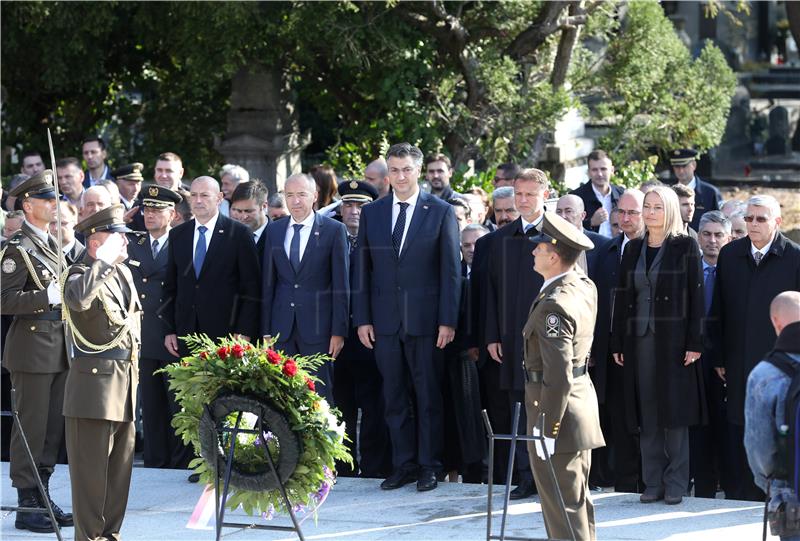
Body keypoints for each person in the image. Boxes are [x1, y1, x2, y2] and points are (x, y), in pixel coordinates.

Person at [353, 142, 461, 492]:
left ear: (418, 172)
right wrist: (363, 319)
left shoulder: (441, 211)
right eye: (394, 170)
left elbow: (451, 271)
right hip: (384, 322)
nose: (400, 177)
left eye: (406, 170)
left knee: (428, 396)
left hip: (427, 322)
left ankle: (430, 465)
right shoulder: (374, 212)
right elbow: (362, 271)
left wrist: (448, 320)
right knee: (393, 395)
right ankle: (404, 464)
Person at [611, 185, 706, 505]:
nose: (650, 213)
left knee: (674, 413)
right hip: (638, 342)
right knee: (647, 412)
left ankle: (676, 481)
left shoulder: (686, 246)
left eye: (657, 207)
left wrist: (695, 341)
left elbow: (697, 298)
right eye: (647, 207)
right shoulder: (632, 249)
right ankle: (652, 481)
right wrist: (618, 341)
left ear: (670, 211)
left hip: (674, 342)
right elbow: (622, 298)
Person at [709, 194, 800, 501]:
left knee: (775, 426)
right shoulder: (730, 254)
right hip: (737, 357)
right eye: (749, 218)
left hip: (782, 364)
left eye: (761, 218)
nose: (753, 224)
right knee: (739, 423)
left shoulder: (795, 257)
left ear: (777, 221)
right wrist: (719, 355)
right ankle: (740, 493)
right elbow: (718, 309)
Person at [524, 212, 604, 541]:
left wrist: (547, 427)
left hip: (559, 413)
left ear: (554, 256)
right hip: (579, 406)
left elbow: (557, 376)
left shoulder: (554, 305)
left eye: (538, 248)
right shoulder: (582, 285)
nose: (533, 252)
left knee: (563, 510)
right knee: (575, 504)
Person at [62, 204, 140, 541]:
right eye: (117, 237)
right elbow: (78, 300)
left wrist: (110, 264)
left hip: (125, 385)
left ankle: (110, 536)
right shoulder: (79, 273)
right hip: (93, 390)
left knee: (118, 478)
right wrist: (102, 262)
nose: (125, 243)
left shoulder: (122, 272)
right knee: (91, 480)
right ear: (96, 243)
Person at [1, 170, 72, 532]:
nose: (54, 204)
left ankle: (43, 495)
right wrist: (44, 297)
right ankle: (27, 503)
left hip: (58, 347)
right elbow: (4, 299)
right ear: (28, 205)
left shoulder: (50, 244)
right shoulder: (15, 248)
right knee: (29, 427)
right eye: (47, 199)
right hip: (31, 348)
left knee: (50, 430)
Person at [485, 167, 550, 499]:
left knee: (551, 405)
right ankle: (526, 476)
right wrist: (493, 335)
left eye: (530, 195)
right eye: (519, 194)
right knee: (519, 406)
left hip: (551, 340)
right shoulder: (501, 239)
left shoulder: (560, 236)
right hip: (511, 339)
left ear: (545, 196)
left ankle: (551, 476)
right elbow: (491, 291)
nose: (523, 201)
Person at [260, 173, 349, 404]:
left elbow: (341, 285)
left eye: (301, 194)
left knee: (319, 397)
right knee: (280, 397)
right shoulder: (274, 230)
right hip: (282, 329)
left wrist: (339, 331)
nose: (296, 201)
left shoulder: (333, 230)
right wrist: (266, 329)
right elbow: (269, 283)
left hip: (319, 329)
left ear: (315, 196)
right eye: (290, 195)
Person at [126, 186, 192, 469]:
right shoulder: (132, 242)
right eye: (146, 209)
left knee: (177, 405)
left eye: (157, 210)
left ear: (173, 214)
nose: (150, 214)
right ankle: (155, 461)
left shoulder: (182, 242)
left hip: (171, 335)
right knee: (150, 406)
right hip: (140, 333)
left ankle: (179, 462)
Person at [162, 176, 261, 358]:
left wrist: (244, 331)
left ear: (220, 197)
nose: (198, 201)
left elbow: (251, 288)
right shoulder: (178, 235)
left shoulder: (239, 234)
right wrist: (169, 329)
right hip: (186, 335)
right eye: (194, 195)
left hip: (228, 336)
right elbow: (170, 286)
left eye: (205, 195)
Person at [333, 179, 392, 478]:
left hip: (372, 336)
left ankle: (374, 468)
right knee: (340, 407)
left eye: (361, 205)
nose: (354, 211)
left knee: (373, 407)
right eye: (348, 204)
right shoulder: (329, 235)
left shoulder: (382, 236)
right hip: (337, 337)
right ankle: (342, 467)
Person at [588, 189, 645, 493]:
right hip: (608, 351)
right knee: (609, 415)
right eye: (621, 212)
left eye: (632, 213)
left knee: (638, 420)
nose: (626, 218)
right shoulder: (606, 251)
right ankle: (612, 480)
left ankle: (639, 481)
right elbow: (594, 303)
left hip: (642, 351)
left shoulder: (656, 250)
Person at [745, 291, 800, 541]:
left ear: (776, 322)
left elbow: (759, 447)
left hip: (790, 498)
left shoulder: (765, 375)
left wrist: (770, 483)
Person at [689, 210, 732, 498]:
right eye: (707, 234)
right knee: (697, 426)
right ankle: (702, 486)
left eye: (718, 235)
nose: (712, 240)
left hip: (725, 362)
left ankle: (728, 485)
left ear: (728, 238)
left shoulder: (735, 270)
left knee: (724, 425)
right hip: (691, 361)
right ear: (698, 236)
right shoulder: (687, 268)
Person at [569, 150, 624, 236]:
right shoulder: (576, 197)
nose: (600, 174)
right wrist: (591, 222)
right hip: (589, 248)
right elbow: (568, 228)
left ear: (612, 170)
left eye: (603, 169)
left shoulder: (622, 194)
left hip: (618, 247)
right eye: (594, 170)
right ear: (588, 172)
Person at [555, 194, 609, 275]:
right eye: (559, 212)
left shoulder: (602, 244)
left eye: (568, 211)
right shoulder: (549, 243)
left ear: (583, 215)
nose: (563, 216)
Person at [669, 148, 722, 231]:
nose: (680, 170)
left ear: (694, 165)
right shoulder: (669, 193)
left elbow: (720, 223)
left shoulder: (710, 193)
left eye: (684, 166)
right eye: (677, 166)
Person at [229, 181, 269, 260]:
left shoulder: (278, 235)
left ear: (264, 206)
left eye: (248, 211)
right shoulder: (226, 236)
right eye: (237, 210)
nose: (243, 217)